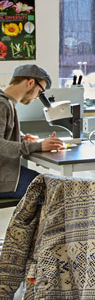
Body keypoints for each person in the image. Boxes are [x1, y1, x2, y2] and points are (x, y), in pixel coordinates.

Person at [0, 65, 65, 200]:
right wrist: (38, 146)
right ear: (30, 83)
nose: (37, 97)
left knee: (52, 184)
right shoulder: (2, 104)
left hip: (6, 173)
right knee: (56, 191)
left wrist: (22, 138)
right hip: (3, 179)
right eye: (40, 92)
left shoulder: (8, 103)